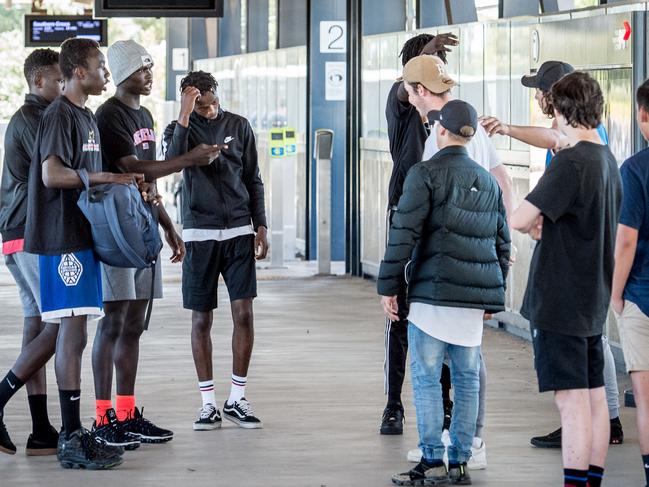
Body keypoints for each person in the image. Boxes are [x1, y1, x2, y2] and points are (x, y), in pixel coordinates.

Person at [481, 60, 624, 448]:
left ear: (558, 101)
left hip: (566, 291)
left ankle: (601, 433)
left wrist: (532, 215)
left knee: (575, 401)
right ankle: (605, 428)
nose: (538, 98)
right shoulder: (601, 157)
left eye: (541, 92)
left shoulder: (576, 156)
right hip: (589, 283)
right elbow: (552, 139)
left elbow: (521, 216)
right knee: (589, 386)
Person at [91, 40, 220, 448]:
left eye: (150, 67)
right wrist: (189, 160)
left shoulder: (144, 113)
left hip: (144, 228)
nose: (149, 75)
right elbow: (132, 168)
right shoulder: (108, 116)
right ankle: (102, 418)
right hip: (116, 235)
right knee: (112, 323)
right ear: (123, 72)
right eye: (142, 68)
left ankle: (127, 414)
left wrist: (166, 224)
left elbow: (147, 183)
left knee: (133, 326)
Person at [24, 38, 144, 469]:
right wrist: (108, 177)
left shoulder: (86, 116)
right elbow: (51, 174)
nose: (106, 73)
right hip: (61, 238)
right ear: (78, 71)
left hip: (83, 236)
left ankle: (74, 434)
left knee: (75, 334)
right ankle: (71, 438)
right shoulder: (59, 114)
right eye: (99, 66)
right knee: (70, 337)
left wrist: (119, 184)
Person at [378, 97, 510, 486]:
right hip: (471, 302)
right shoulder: (487, 180)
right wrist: (493, 293)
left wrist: (389, 286)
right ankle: (462, 461)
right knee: (467, 379)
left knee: (427, 377)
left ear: (439, 131)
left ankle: (433, 457)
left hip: (431, 298)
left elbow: (403, 235)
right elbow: (502, 243)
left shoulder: (425, 174)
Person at [402, 54, 515, 471]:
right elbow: (499, 181)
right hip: (478, 261)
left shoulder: (442, 137)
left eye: (409, 91)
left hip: (448, 268)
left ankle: (462, 442)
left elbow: (423, 217)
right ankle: (465, 441)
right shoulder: (464, 125)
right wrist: (500, 253)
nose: (408, 98)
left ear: (421, 91)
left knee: (446, 364)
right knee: (464, 358)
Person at [163, 71, 268, 430]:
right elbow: (171, 164)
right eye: (200, 106)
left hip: (239, 230)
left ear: (218, 96)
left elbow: (253, 177)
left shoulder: (239, 126)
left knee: (244, 314)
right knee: (201, 319)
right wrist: (184, 114)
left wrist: (261, 224)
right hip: (199, 233)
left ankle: (237, 397)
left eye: (212, 104)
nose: (208, 111)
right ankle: (207, 404)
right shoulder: (181, 128)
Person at [382, 32, 459, 437]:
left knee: (441, 312)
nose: (442, 67)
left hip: (441, 216)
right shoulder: (401, 102)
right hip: (407, 211)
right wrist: (425, 55)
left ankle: (445, 406)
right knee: (400, 312)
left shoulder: (449, 112)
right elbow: (402, 88)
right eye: (435, 61)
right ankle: (393, 405)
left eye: (443, 60)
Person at [0, 49, 63, 456]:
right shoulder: (36, 118)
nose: (63, 87)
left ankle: (41, 430)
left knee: (36, 321)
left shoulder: (31, 117)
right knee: (60, 324)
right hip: (30, 231)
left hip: (17, 231)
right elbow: (54, 175)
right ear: (38, 81)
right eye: (58, 81)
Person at [611, 78, 649, 487]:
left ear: (642, 115)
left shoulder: (636, 169)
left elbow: (626, 239)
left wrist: (616, 293)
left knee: (646, 398)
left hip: (642, 293)